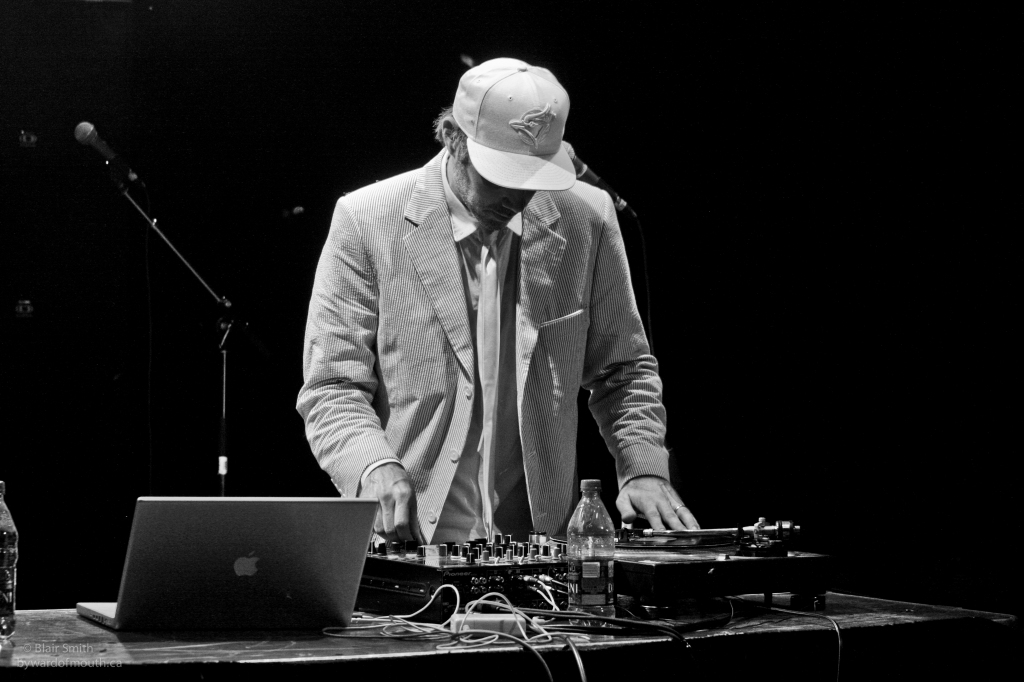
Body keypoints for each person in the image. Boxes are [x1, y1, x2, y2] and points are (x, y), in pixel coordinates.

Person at [297, 57, 698, 544]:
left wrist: (643, 467)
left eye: (533, 177)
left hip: (541, 548)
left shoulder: (587, 218)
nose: (518, 194)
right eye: (501, 175)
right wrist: (371, 464)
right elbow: (333, 387)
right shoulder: (365, 218)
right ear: (452, 138)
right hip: (411, 544)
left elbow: (624, 370)